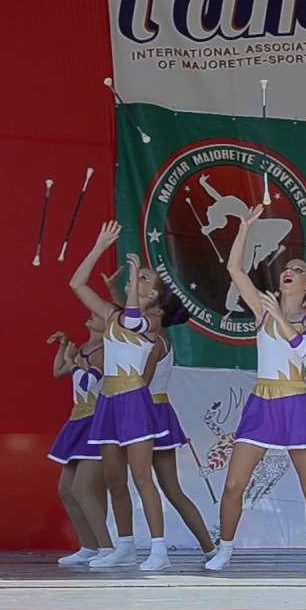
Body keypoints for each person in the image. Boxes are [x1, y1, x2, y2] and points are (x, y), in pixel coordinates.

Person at [206, 207, 306, 575]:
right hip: (262, 402)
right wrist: (244, 229)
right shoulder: (263, 310)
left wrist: (280, 317)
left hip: (297, 402)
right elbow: (234, 270)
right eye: (287, 268)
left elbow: (302, 351)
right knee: (234, 484)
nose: (289, 272)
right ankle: (225, 550)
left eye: (298, 270)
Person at [71, 222, 176, 571]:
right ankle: (126, 545)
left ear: (152, 297)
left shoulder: (150, 323)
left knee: (142, 476)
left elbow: (133, 319)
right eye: (138, 275)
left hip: (134, 400)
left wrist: (131, 282)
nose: (138, 278)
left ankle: (158, 549)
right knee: (115, 479)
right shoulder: (113, 315)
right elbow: (76, 284)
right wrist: (99, 245)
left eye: (146, 278)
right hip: (109, 401)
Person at [145, 307, 216, 560]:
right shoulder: (159, 336)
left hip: (147, 411)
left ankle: (155, 549)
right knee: (172, 489)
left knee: (156, 485)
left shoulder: (156, 343)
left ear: (160, 312)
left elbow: (140, 383)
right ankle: (209, 547)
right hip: (158, 411)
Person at [45, 319, 112, 566]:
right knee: (65, 489)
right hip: (77, 420)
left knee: (82, 489)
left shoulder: (104, 352)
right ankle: (89, 546)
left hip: (95, 421)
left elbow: (86, 385)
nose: (91, 315)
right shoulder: (84, 347)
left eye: (97, 313)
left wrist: (73, 362)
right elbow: (57, 372)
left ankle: (107, 547)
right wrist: (64, 349)